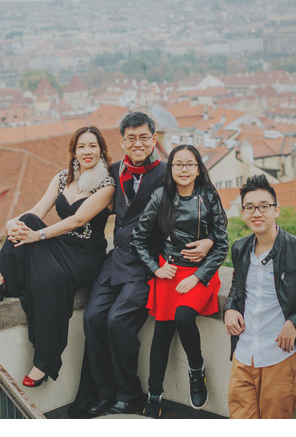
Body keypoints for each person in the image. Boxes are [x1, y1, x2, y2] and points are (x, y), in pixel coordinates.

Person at [74, 112, 216, 417]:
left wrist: (210, 242)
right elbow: (77, 187)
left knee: (118, 323)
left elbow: (203, 207)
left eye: (143, 137)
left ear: (154, 139)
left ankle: (129, 394)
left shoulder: (169, 173)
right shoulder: (112, 171)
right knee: (93, 319)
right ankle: (103, 392)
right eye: (131, 138)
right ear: (122, 141)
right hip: (115, 262)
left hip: (148, 265)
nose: (137, 143)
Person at [0, 126, 115, 387]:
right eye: (81, 146)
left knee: (47, 279)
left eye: (93, 146)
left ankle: (44, 362)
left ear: (101, 151)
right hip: (60, 245)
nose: (87, 151)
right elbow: (38, 210)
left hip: (86, 255)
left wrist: (36, 236)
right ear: (74, 151)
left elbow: (78, 220)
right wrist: (14, 223)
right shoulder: (62, 178)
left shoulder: (107, 185)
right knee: (27, 220)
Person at [224, 174, 296, 419]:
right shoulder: (240, 248)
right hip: (243, 355)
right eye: (249, 207)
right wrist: (230, 308)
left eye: (264, 206)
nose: (257, 213)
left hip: (280, 357)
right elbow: (237, 287)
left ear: (276, 210)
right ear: (243, 213)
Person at [131, 144, 228, 419]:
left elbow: (222, 245)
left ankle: (196, 371)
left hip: (201, 272)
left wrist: (198, 276)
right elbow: (138, 238)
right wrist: (156, 269)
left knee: (184, 317)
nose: (183, 170)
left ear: (198, 169)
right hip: (169, 271)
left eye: (189, 164)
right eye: (178, 164)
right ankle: (154, 396)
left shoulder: (209, 196)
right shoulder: (161, 196)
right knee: (161, 335)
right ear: (170, 168)